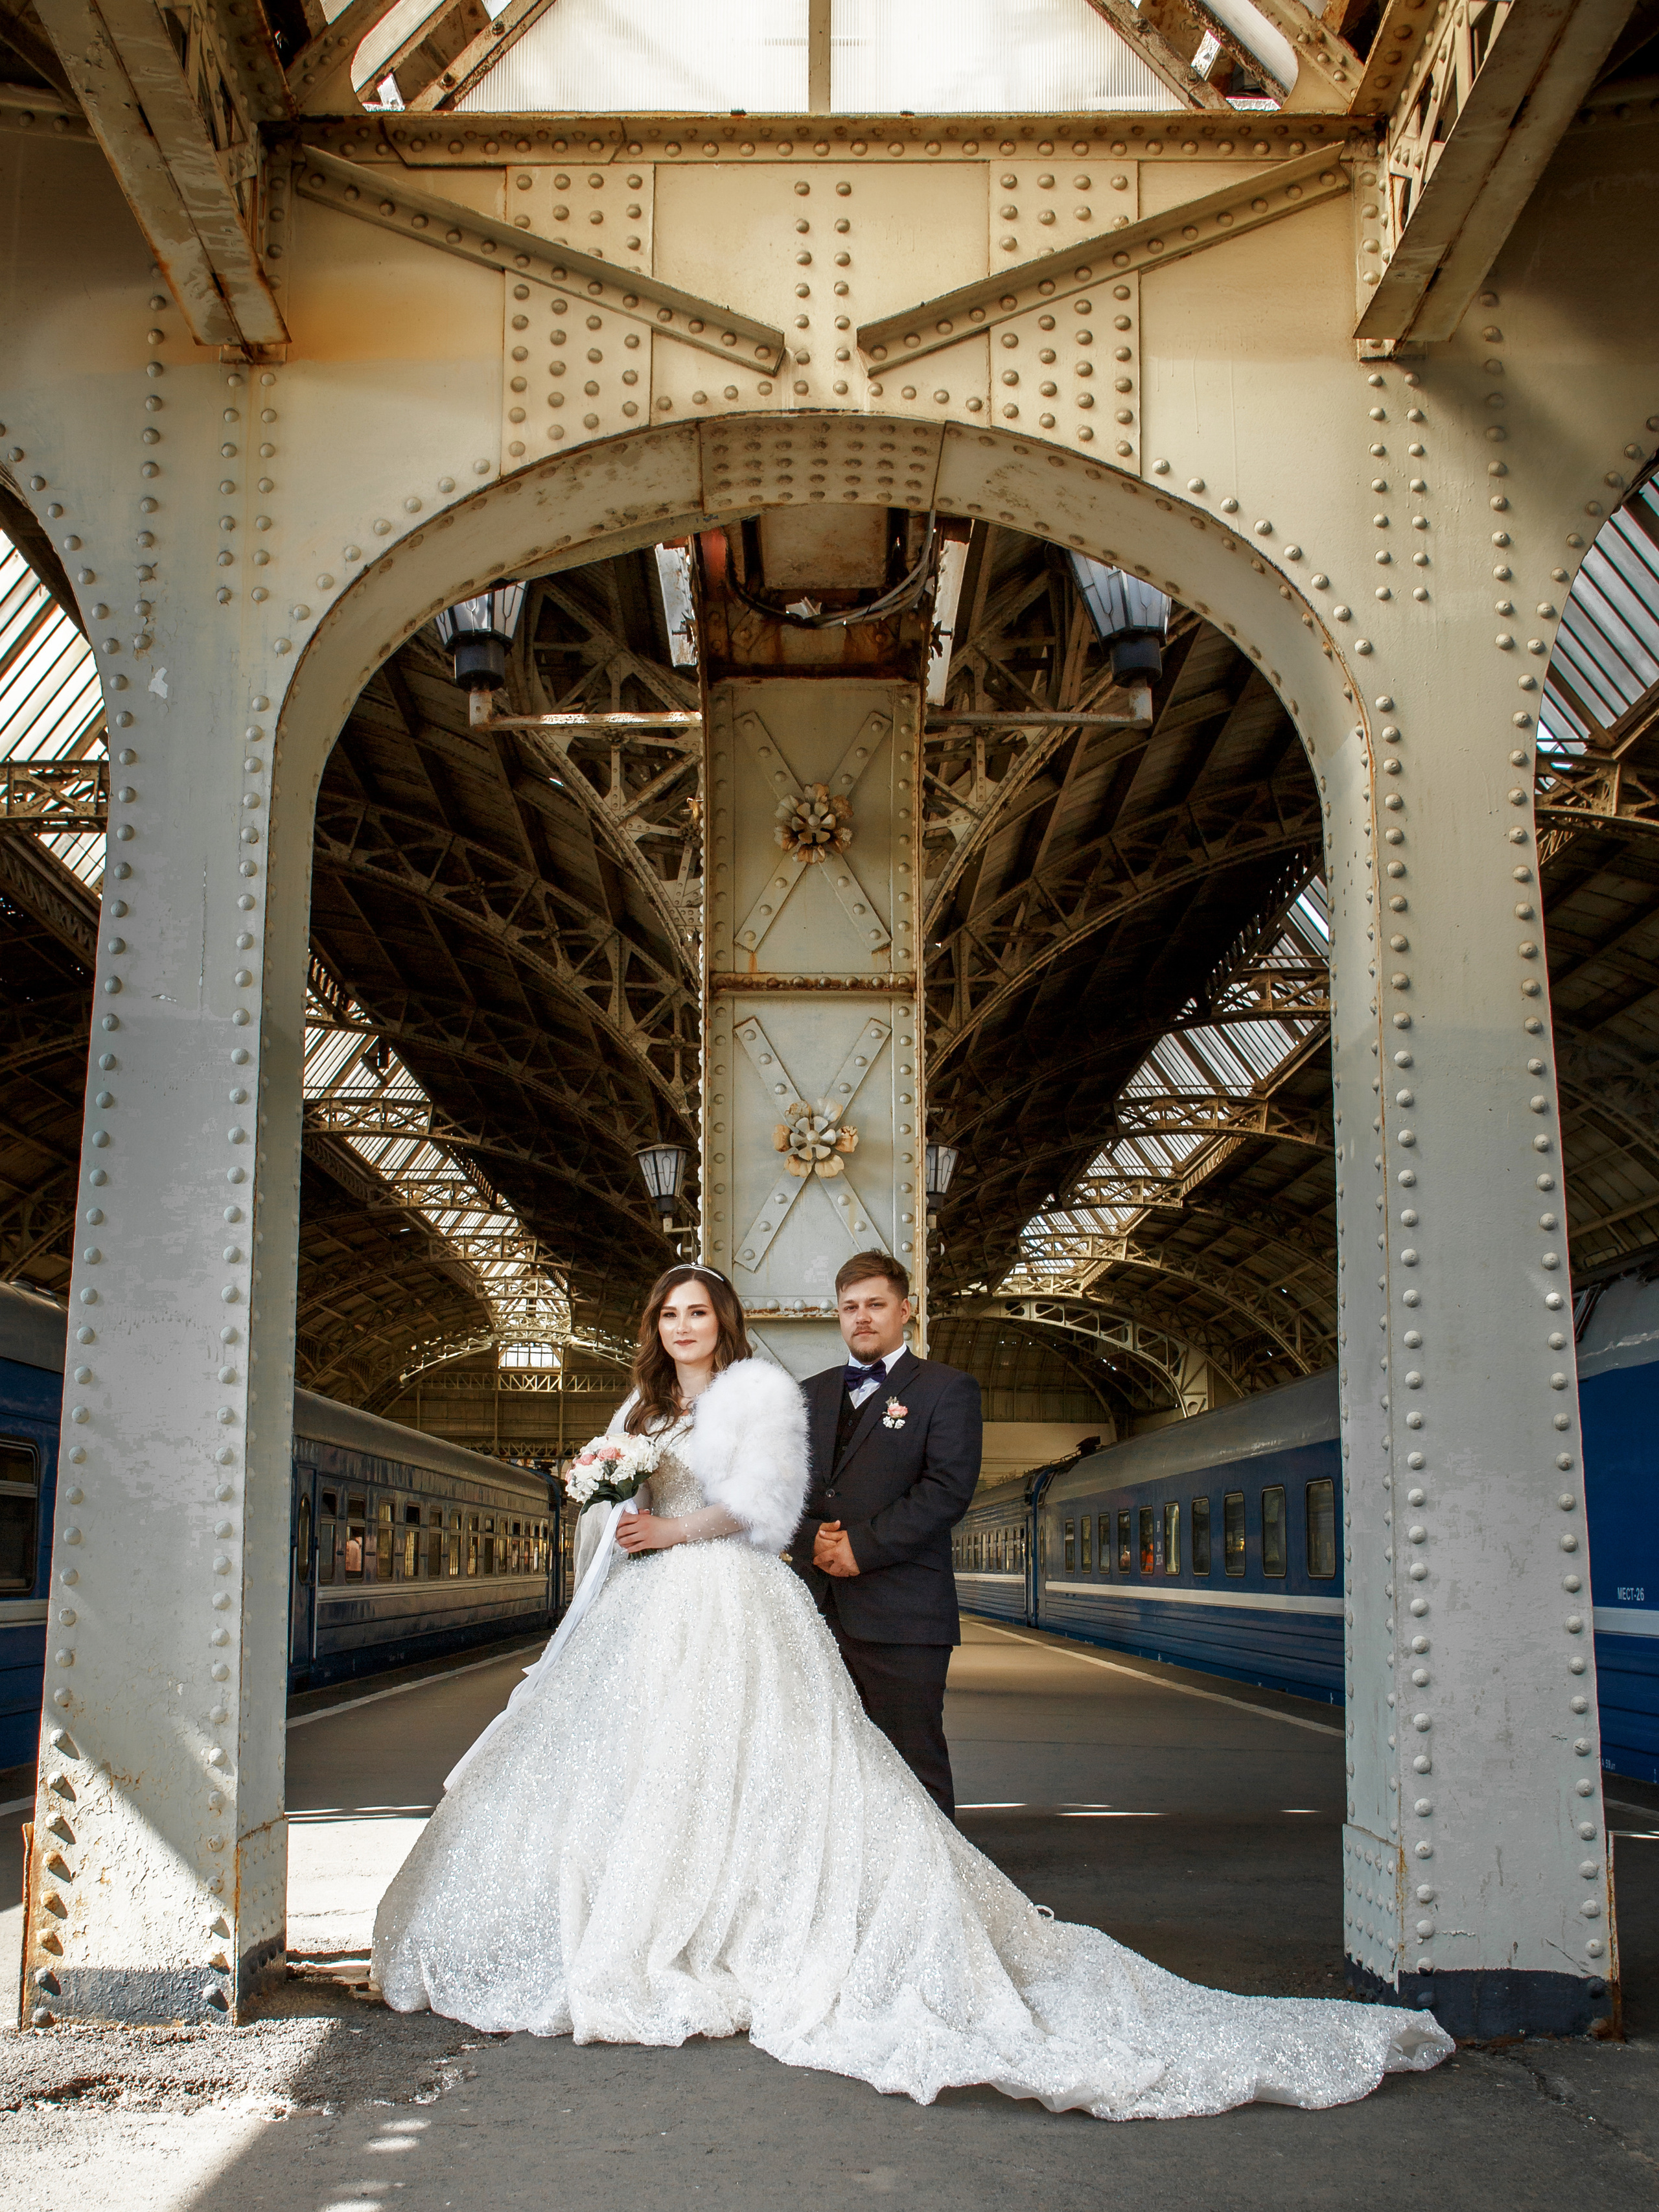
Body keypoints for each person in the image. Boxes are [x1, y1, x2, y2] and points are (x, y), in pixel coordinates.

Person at [373, 1263, 1453, 2119]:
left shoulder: (759, 1394)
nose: (682, 1326)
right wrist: (609, 1497)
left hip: (729, 1596)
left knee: (782, 1766)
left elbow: (766, 1502)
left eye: (697, 1311)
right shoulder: (643, 1404)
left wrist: (670, 1524)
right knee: (658, 1768)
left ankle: (790, 1931)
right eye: (669, 1313)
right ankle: (659, 1925)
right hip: (653, 1610)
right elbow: (631, 1492)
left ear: (725, 1321)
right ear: (654, 1327)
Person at [790, 1251, 979, 1818]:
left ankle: (935, 1874)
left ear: (906, 1310)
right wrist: (809, 1539)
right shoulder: (807, 1394)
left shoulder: (947, 1389)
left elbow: (946, 1489)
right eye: (850, 1307)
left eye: (875, 1304)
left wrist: (861, 1548)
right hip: (815, 1609)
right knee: (821, 1764)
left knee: (912, 1760)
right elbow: (780, 1488)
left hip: (905, 1616)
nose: (862, 1317)